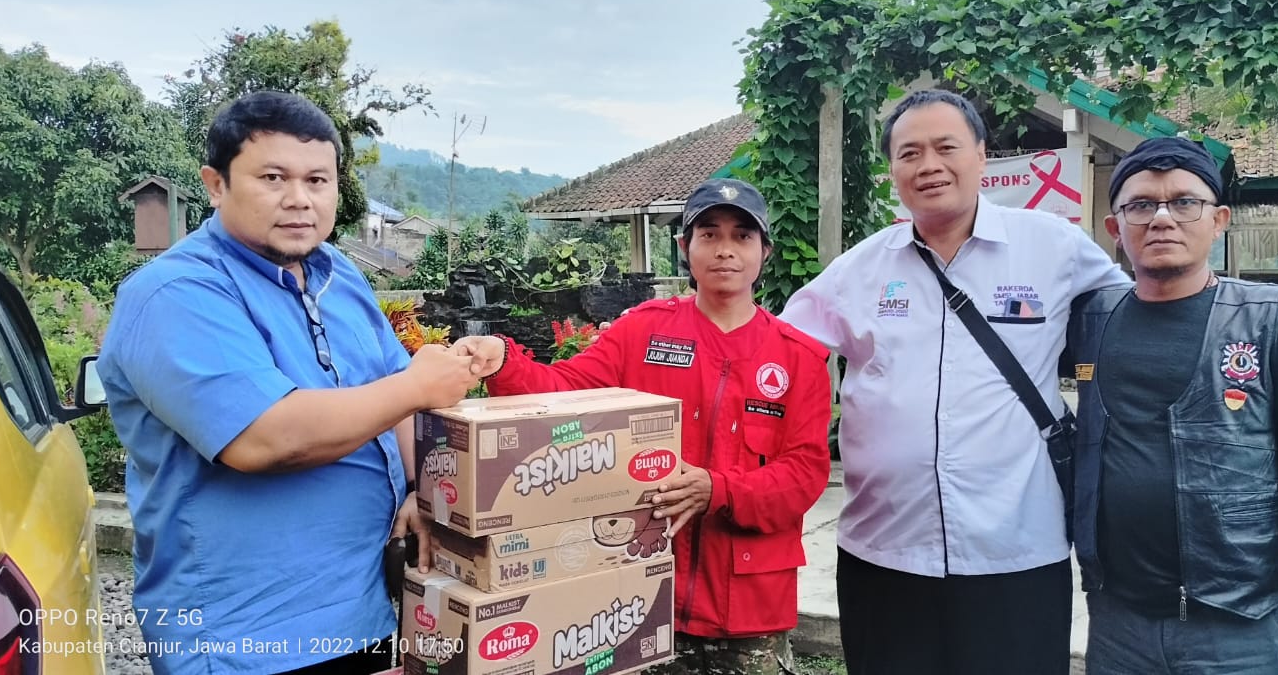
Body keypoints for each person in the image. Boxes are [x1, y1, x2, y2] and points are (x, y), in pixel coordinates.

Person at [97, 91, 478, 675]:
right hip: (245, 637)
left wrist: (417, 489)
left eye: (318, 180)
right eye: (273, 177)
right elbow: (266, 438)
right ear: (216, 184)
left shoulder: (338, 273)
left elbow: (389, 382)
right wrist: (422, 385)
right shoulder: (176, 294)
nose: (299, 200)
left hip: (364, 611)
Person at [777, 89, 1131, 675]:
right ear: (892, 170)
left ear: (981, 156)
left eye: (947, 147)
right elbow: (778, 354)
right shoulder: (859, 270)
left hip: (1016, 548)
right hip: (884, 552)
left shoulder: (1054, 248)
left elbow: (1143, 318)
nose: (929, 165)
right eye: (910, 153)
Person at [452, 178, 832, 675]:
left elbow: (804, 474)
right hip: (636, 595)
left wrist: (718, 489)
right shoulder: (643, 332)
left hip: (748, 609)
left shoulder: (798, 358)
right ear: (684, 248)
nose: (725, 250)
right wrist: (506, 362)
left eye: (742, 236)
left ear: (765, 251)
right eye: (709, 234)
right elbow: (566, 391)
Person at [1067, 136, 1278, 673]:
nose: (1162, 219)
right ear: (1115, 228)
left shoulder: (1271, 319)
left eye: (1184, 202)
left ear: (1218, 218)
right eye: (1140, 205)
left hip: (1240, 620)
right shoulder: (1091, 318)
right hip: (1118, 620)